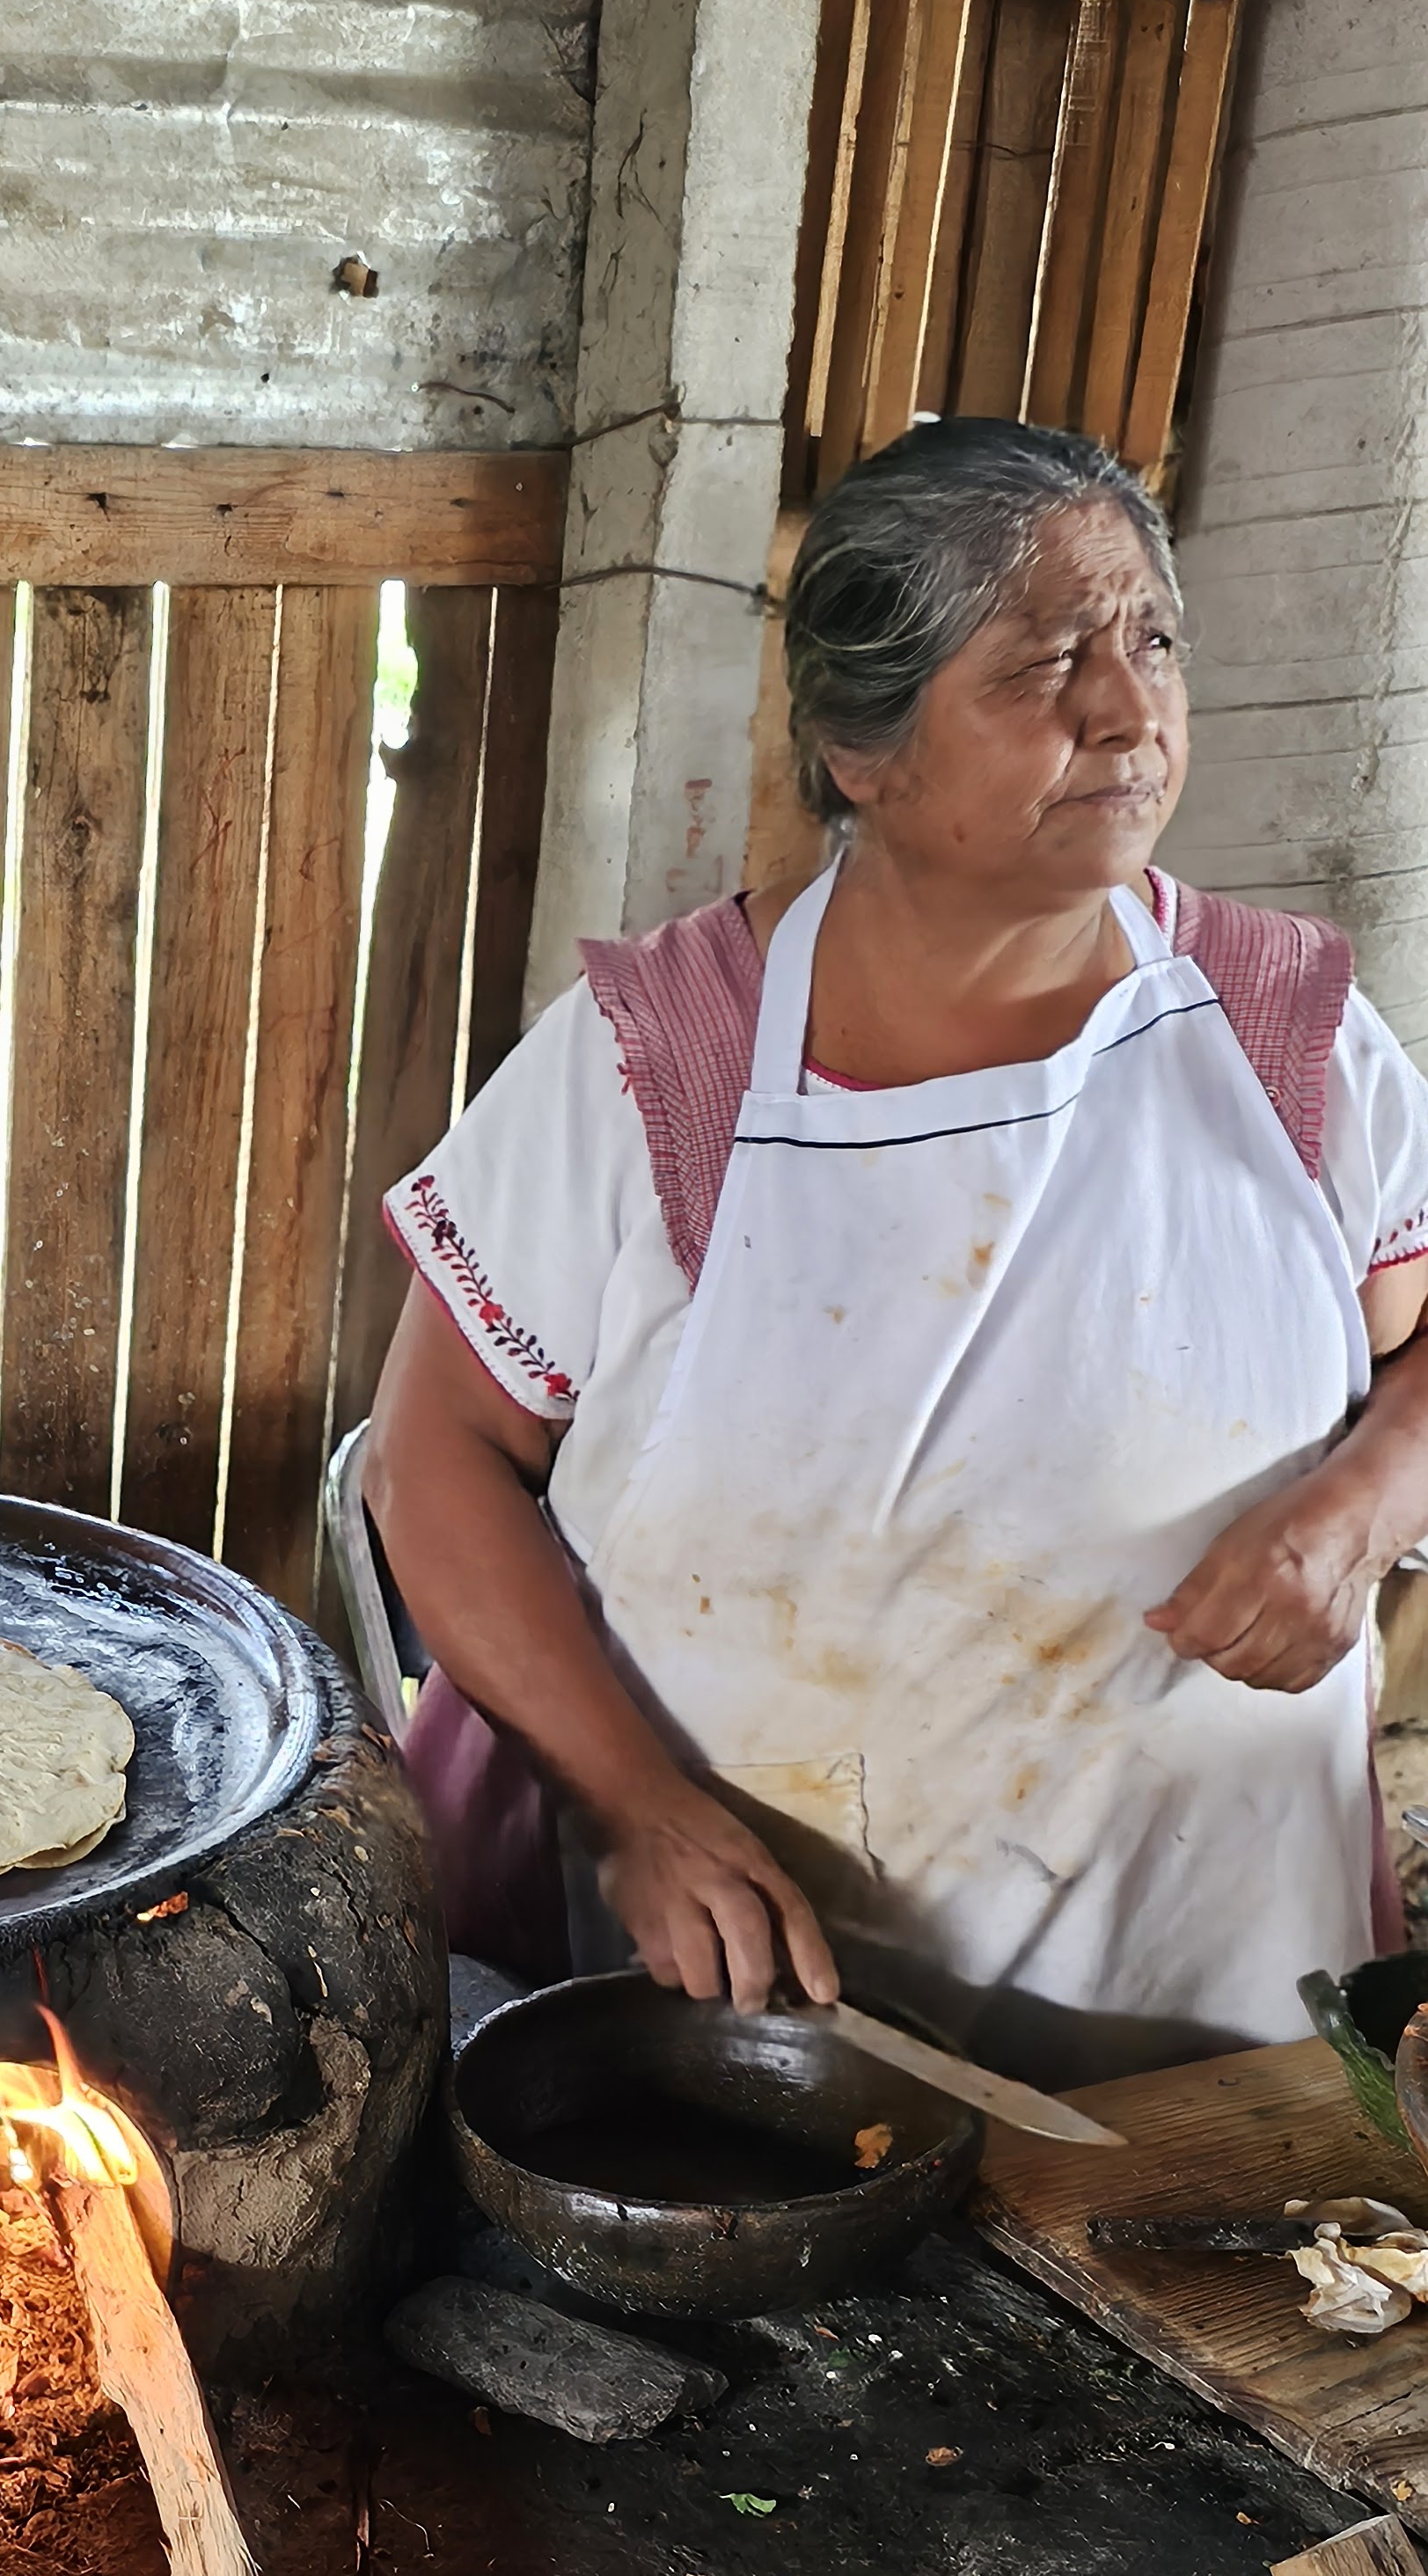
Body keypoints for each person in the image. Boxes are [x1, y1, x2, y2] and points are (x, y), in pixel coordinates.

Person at [362, 416, 1428, 2084]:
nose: (1129, 710)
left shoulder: (1285, 1038)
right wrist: (636, 1807)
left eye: (1152, 641)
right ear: (863, 750)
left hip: (1200, 1958)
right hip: (750, 2004)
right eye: (1046, 663)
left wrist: (1360, 1511)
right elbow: (433, 1458)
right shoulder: (666, 1065)